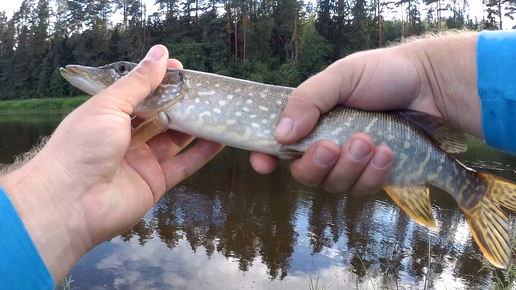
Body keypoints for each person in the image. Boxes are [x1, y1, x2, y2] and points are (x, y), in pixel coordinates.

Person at [0, 29, 514, 289]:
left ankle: (473, 190)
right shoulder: (162, 119)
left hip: (391, 134)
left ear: (164, 80)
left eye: (118, 70)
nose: (106, 75)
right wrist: (424, 70)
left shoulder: (171, 92)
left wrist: (424, 76)